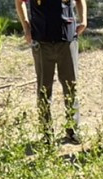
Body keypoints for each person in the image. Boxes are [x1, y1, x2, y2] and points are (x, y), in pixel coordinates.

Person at [15, 0, 86, 145]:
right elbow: (19, 2)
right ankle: (46, 133)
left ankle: (73, 130)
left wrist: (83, 19)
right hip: (41, 40)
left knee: (71, 86)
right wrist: (26, 27)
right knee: (43, 89)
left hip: (67, 38)